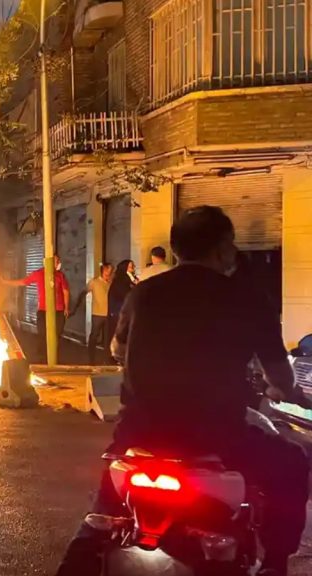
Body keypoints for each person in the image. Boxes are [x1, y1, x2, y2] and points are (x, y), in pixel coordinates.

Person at [55, 206, 310, 576]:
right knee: (293, 464)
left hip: (140, 433)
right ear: (224, 249)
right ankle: (274, 564)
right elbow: (280, 376)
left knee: (103, 514)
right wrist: (282, 390)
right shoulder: (247, 298)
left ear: (175, 250)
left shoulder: (143, 294)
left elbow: (117, 349)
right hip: (218, 438)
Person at [5, 255, 70, 362]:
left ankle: (54, 359)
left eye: (58, 261)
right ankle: (42, 359)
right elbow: (23, 282)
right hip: (43, 311)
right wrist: (6, 282)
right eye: (56, 261)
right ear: (48, 263)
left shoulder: (60, 276)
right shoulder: (39, 274)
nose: (58, 263)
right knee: (42, 336)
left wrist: (66, 308)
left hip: (58, 311)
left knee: (56, 336)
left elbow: (65, 292)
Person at [82, 263, 113, 365]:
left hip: (108, 315)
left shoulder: (110, 283)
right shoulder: (94, 282)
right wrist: (78, 305)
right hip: (97, 314)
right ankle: (91, 359)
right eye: (108, 271)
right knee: (94, 336)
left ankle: (106, 359)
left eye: (111, 271)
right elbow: (84, 291)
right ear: (103, 271)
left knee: (107, 339)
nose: (109, 273)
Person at [106, 259, 135, 353]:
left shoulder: (128, 280)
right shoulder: (120, 282)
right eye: (130, 267)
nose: (133, 269)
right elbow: (126, 295)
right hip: (117, 313)